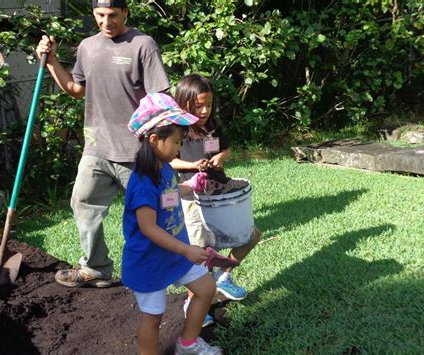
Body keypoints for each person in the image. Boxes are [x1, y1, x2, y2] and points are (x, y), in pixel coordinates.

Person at [35, 0, 170, 287]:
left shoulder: (142, 45)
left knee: (153, 213)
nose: (106, 22)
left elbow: (160, 99)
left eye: (112, 15)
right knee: (82, 202)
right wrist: (51, 61)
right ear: (94, 14)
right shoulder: (87, 47)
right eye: (100, 15)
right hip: (96, 147)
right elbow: (75, 89)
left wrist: (157, 144)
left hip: (135, 151)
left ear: (125, 13)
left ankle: (171, 266)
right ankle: (96, 268)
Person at [124, 92, 222, 355]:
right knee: (153, 318)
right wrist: (186, 250)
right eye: (178, 142)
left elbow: (168, 194)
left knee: (205, 287)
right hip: (151, 260)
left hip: (174, 252)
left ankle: (187, 343)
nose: (180, 148)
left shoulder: (164, 167)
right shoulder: (142, 182)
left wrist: (189, 186)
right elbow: (148, 227)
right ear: (155, 140)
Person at [171, 74, 261, 326]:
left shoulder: (213, 126)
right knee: (200, 251)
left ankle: (224, 276)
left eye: (208, 105)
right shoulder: (177, 130)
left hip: (221, 191)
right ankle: (193, 302)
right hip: (193, 195)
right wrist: (192, 165)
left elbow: (227, 148)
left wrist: (221, 157)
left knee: (251, 235)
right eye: (197, 105)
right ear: (183, 102)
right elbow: (170, 160)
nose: (204, 110)